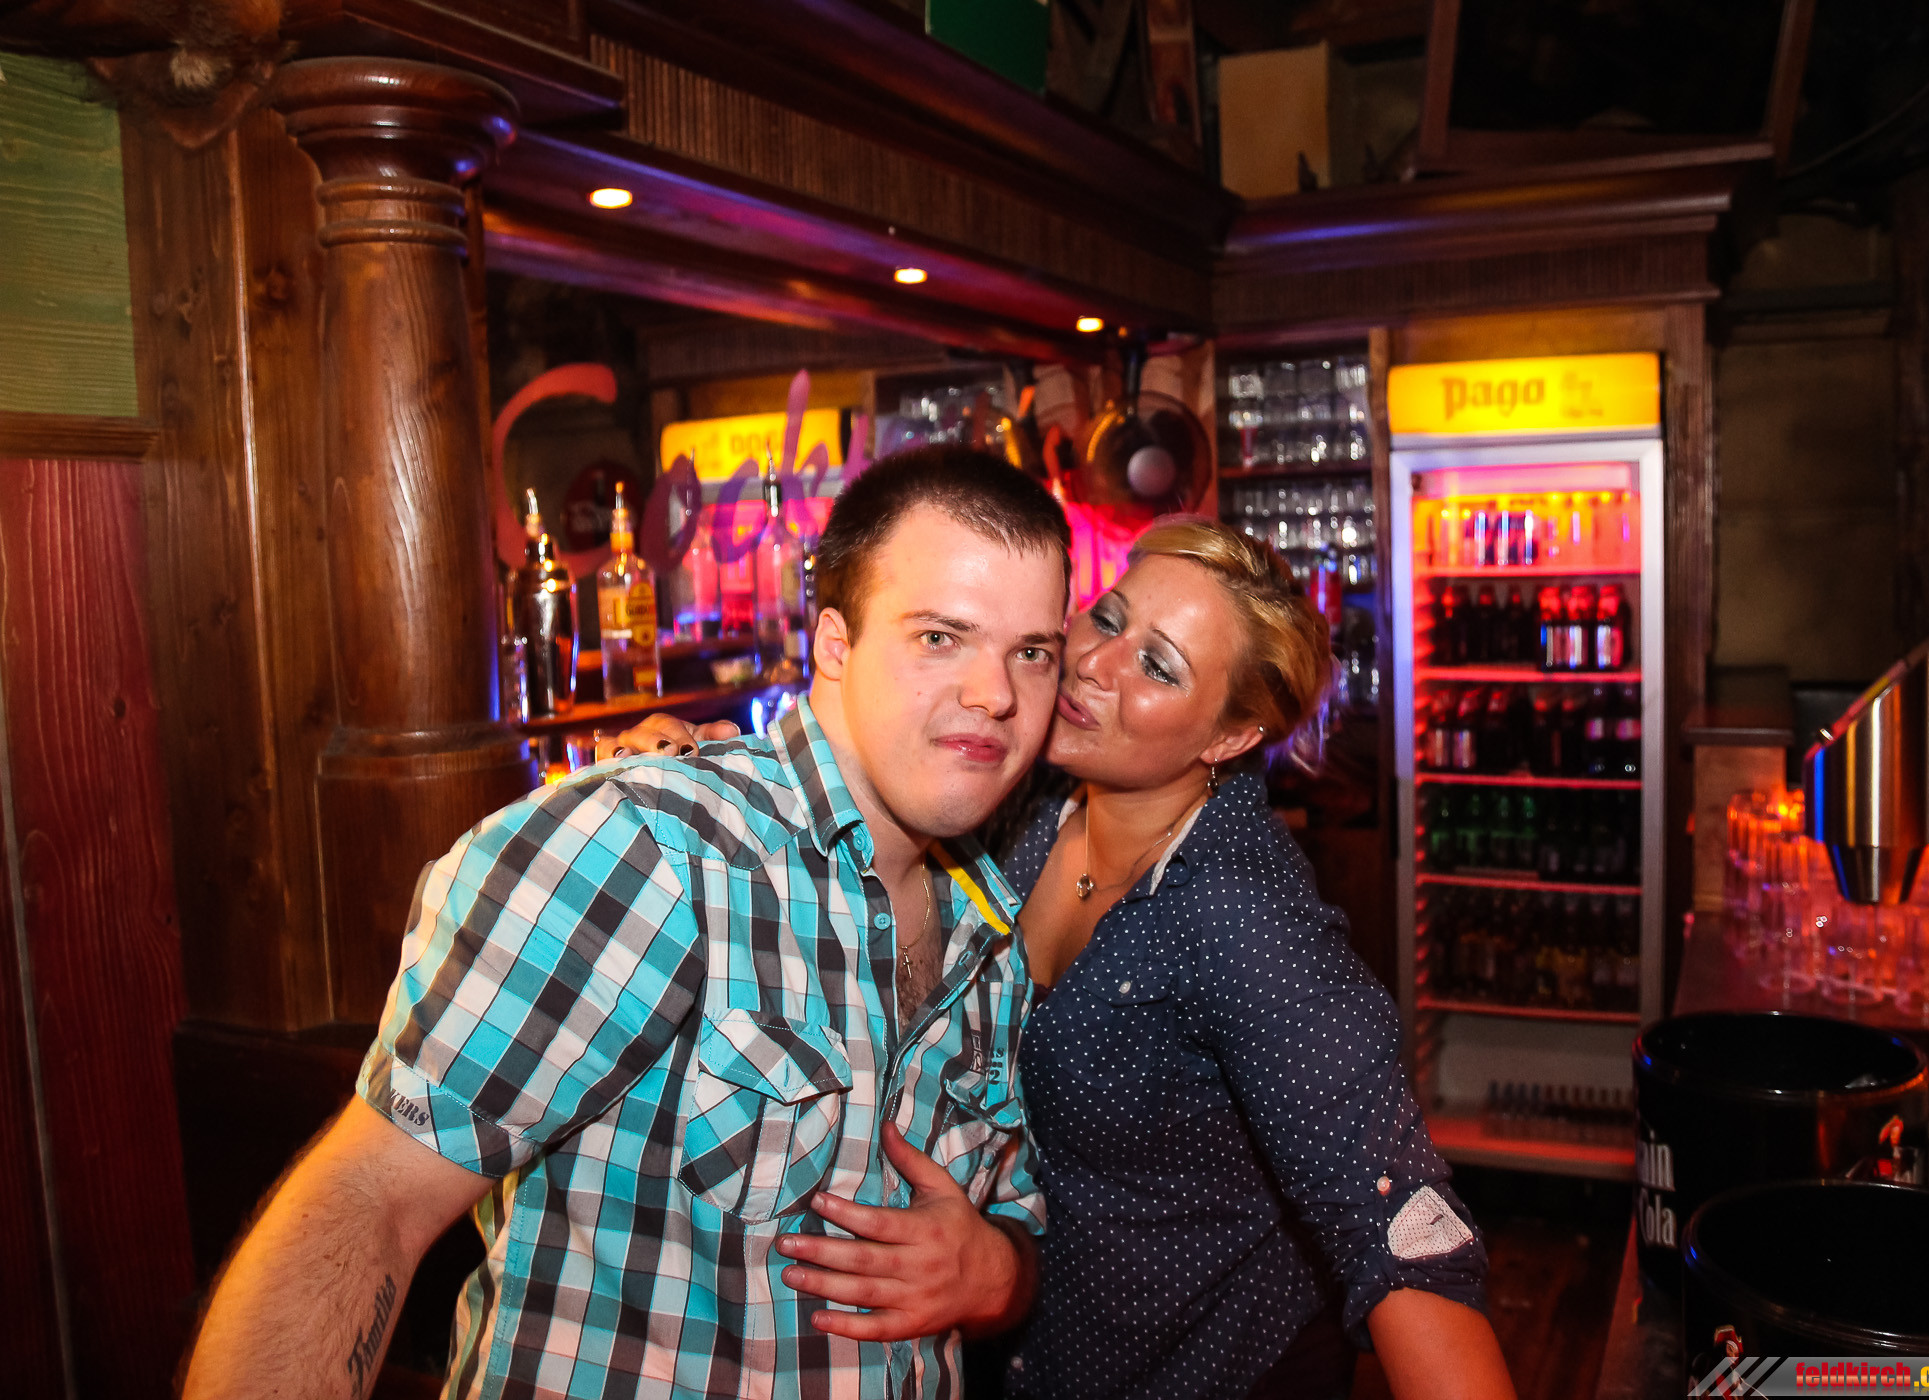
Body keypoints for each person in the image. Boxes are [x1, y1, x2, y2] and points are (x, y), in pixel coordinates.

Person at [181, 446, 1075, 1400]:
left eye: (1032, 652)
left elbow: (1016, 1222)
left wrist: (997, 1273)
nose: (996, 693)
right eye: (940, 636)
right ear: (833, 644)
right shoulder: (651, 847)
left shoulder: (990, 926)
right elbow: (368, 1205)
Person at [611, 520, 1514, 1400]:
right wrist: (718, 765)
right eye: (1108, 620)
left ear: (1229, 738)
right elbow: (860, 777)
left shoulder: (1238, 909)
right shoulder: (1025, 802)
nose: (1096, 664)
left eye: (1158, 666)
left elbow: (1394, 1219)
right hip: (1012, 1344)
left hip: (1201, 1367)